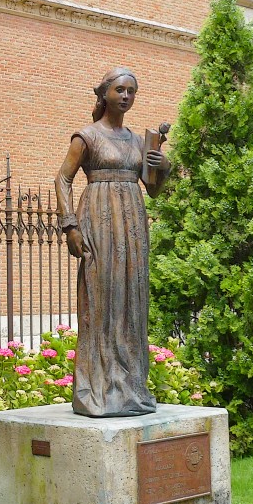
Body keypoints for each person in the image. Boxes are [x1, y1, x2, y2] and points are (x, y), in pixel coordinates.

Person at [54, 67, 169, 417]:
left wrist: (163, 166)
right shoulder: (87, 136)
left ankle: (130, 387)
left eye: (132, 91)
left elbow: (153, 189)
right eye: (120, 89)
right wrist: (70, 226)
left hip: (132, 222)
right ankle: (98, 388)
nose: (126, 96)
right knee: (101, 300)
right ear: (104, 94)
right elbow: (63, 178)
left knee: (131, 301)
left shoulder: (139, 141)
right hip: (98, 221)